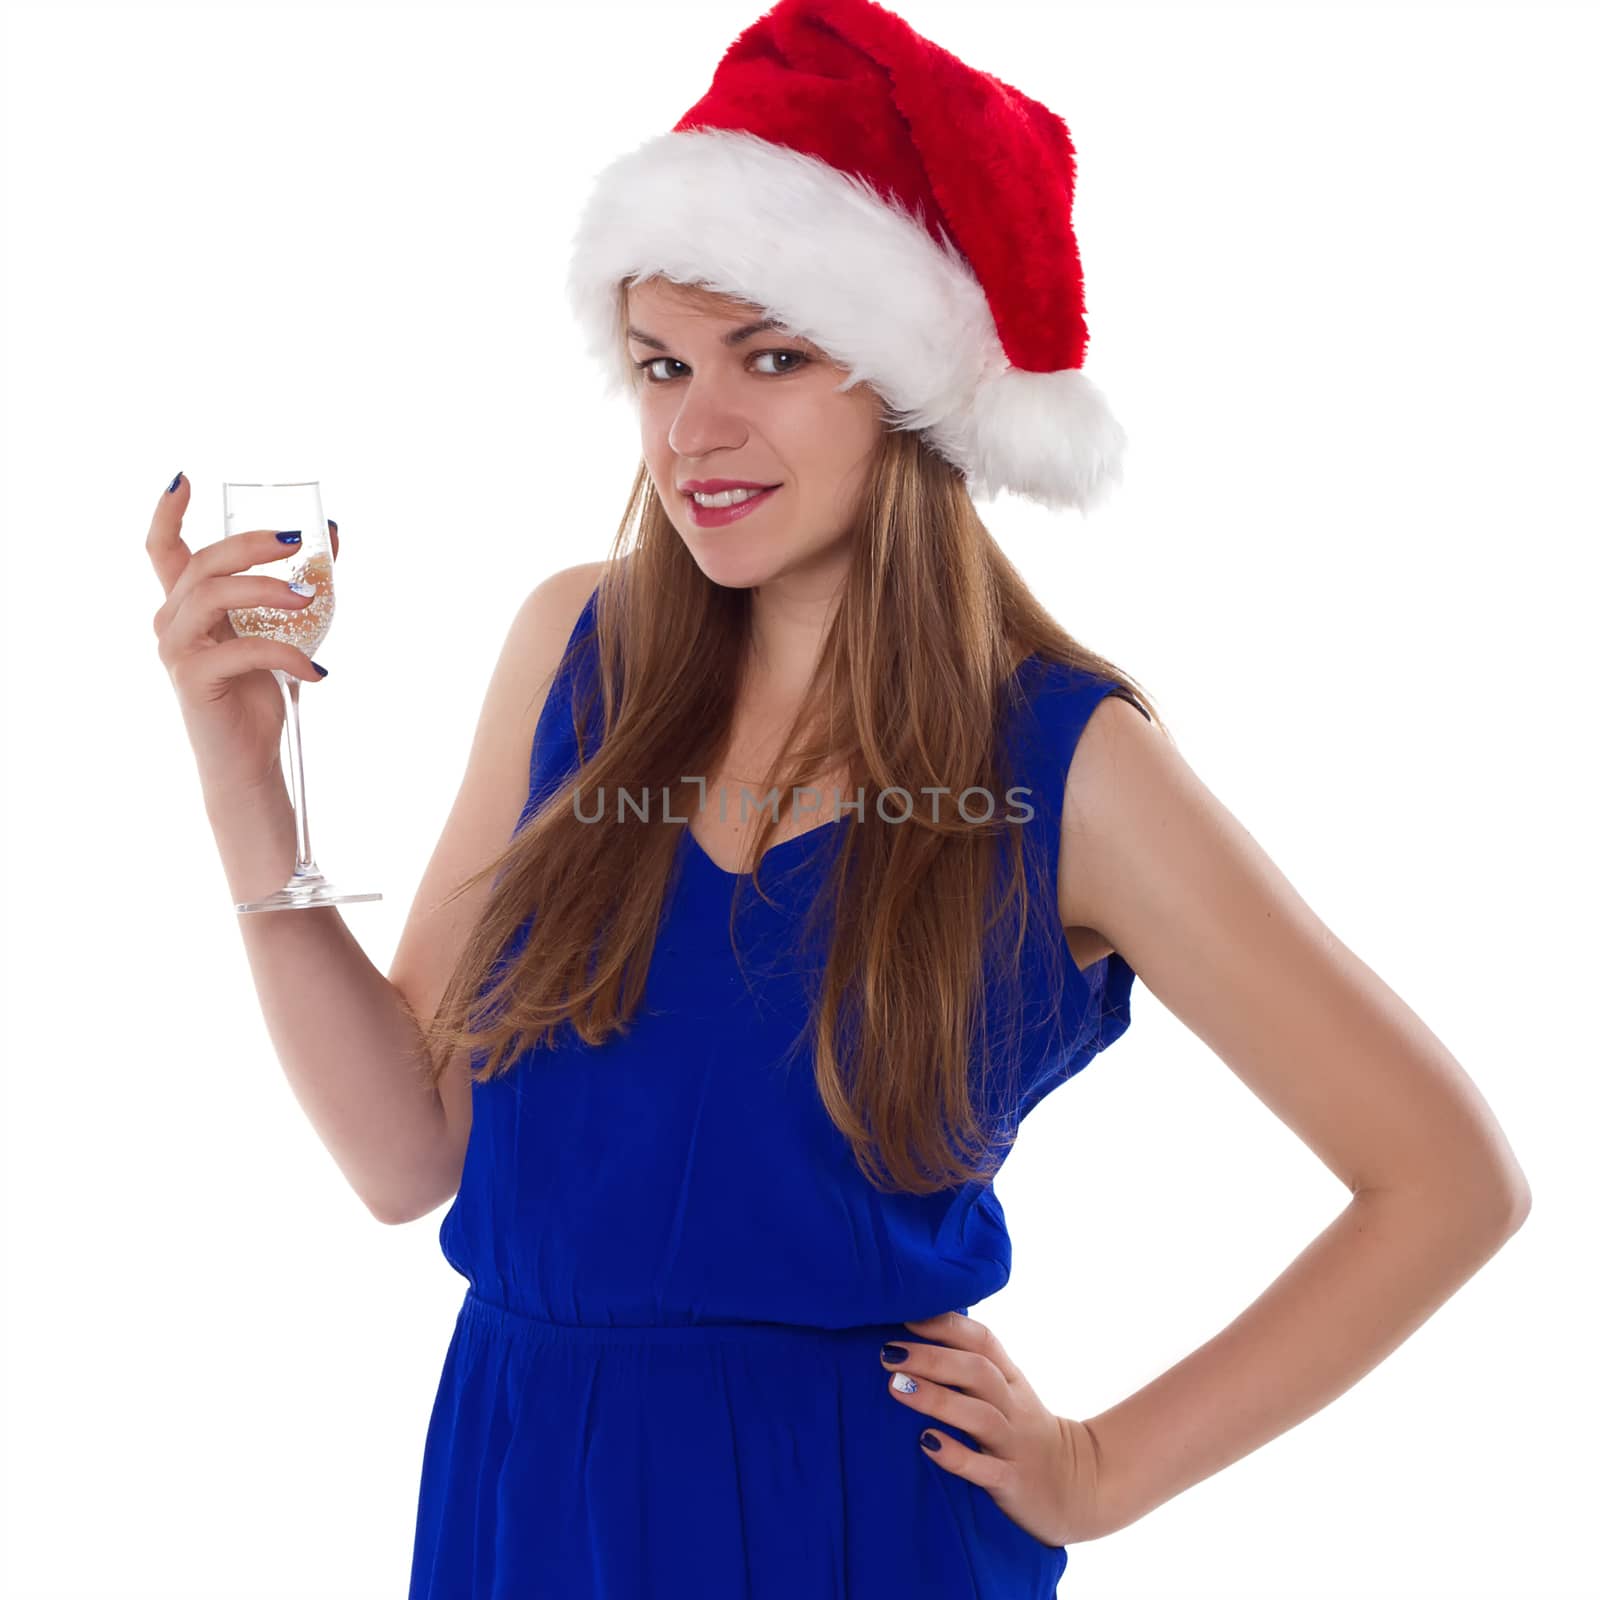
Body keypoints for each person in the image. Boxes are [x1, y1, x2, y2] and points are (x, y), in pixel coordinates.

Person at [147, 1, 1531, 1595]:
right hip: (526, 1487)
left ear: (913, 390)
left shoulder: (1069, 764)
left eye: (776, 357)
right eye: (663, 363)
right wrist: (245, 777)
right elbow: (406, 1157)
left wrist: (1098, 1470)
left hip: (846, 1517)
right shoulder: (570, 653)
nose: (696, 429)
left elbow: (1446, 1181)